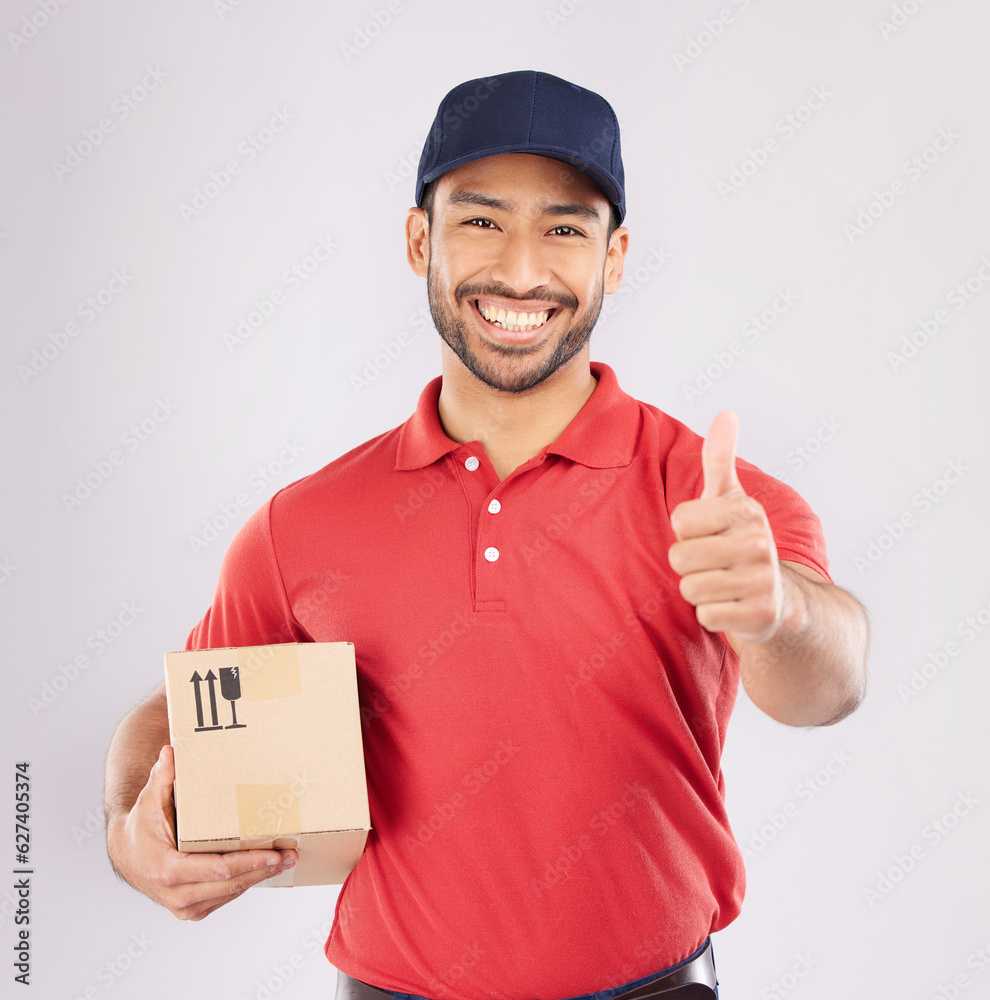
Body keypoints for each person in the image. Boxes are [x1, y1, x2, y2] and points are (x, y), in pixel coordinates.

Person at [104, 70, 869, 1000]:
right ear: (419, 240)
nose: (521, 271)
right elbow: (177, 714)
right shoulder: (302, 523)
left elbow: (831, 685)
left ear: (615, 258)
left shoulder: (716, 501)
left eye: (564, 229)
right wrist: (129, 826)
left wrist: (776, 610)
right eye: (480, 220)